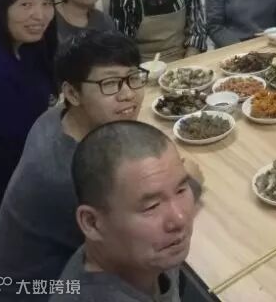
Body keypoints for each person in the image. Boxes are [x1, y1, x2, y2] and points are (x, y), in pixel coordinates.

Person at [0, 30, 202, 299]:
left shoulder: (58, 117)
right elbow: (142, 247)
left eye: (133, 78)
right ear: (72, 93)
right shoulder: (64, 175)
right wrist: (189, 184)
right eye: (109, 84)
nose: (128, 95)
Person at [50, 121, 196, 301]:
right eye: (152, 206)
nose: (180, 219)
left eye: (181, 190)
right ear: (92, 223)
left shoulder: (145, 251)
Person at [0, 0, 57, 279]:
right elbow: (11, 152)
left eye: (46, 3)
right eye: (25, 5)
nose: (40, 15)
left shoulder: (27, 44)